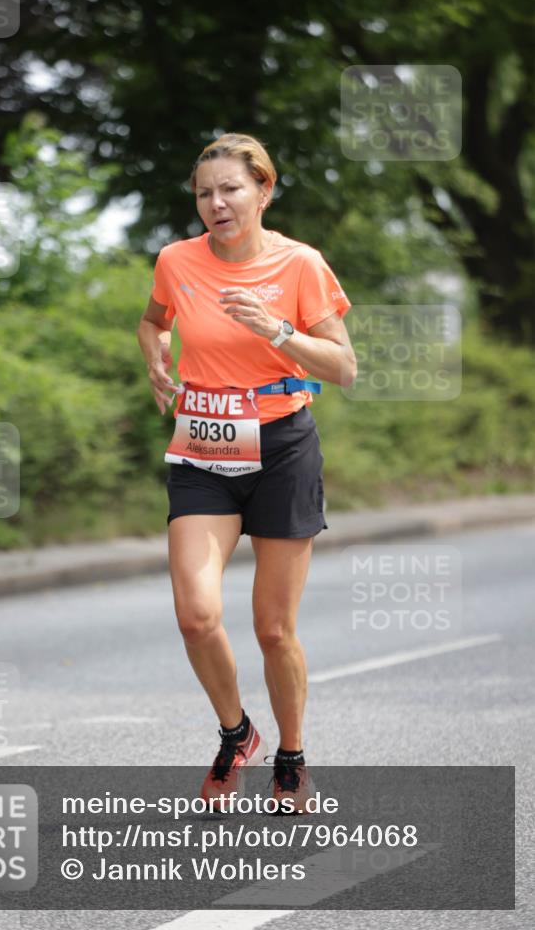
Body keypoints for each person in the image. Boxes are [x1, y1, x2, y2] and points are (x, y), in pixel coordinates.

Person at [137, 133, 356, 812]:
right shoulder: (176, 260)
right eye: (204, 193)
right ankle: (236, 735)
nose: (215, 203)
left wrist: (277, 330)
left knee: (271, 629)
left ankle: (291, 758)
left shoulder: (300, 265)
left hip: (283, 446)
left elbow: (343, 367)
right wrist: (155, 356)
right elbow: (153, 322)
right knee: (196, 616)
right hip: (204, 447)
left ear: (264, 189)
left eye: (230, 188)